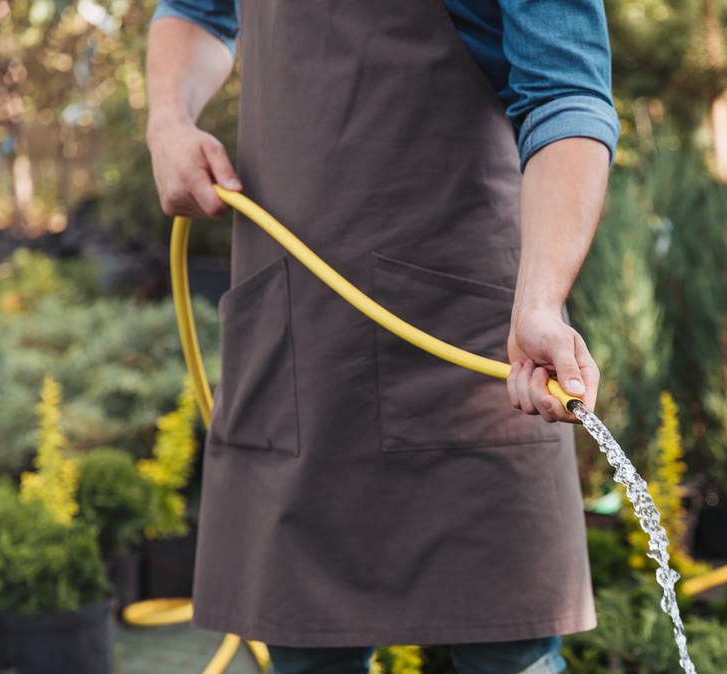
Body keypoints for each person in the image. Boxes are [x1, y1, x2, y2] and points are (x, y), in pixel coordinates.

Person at [144, 0, 618, 672]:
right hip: (295, 336)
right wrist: (167, 121)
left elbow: (567, 94)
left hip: (470, 334)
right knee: (304, 651)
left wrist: (542, 299)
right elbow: (195, 10)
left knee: (507, 650)